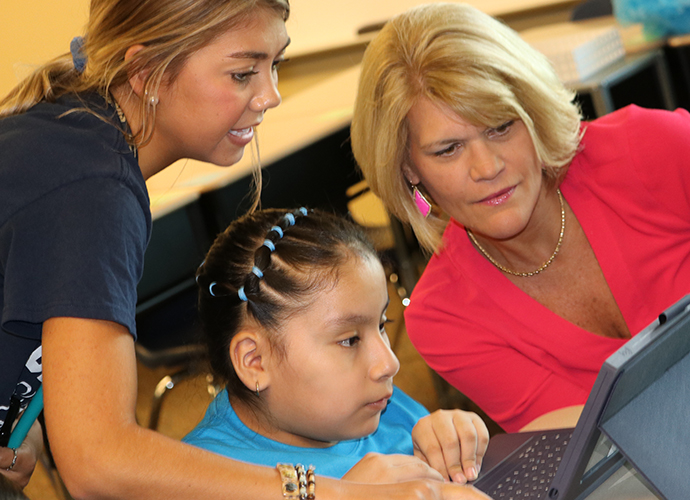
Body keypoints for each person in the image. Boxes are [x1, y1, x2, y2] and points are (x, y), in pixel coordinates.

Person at [0, 0, 492, 498]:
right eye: (242, 74)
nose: (270, 95)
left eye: (275, 64)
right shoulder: (93, 190)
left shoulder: (73, 145)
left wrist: (25, 421)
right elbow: (97, 462)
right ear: (147, 72)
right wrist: (340, 493)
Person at [350, 2, 690, 433]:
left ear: (532, 111)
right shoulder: (445, 319)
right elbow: (592, 442)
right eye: (448, 149)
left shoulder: (652, 148)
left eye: (501, 127)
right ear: (408, 168)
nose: (487, 167)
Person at [184, 208, 489, 486]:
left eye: (382, 324)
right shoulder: (203, 482)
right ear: (255, 360)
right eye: (349, 340)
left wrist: (449, 440)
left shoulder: (382, 407)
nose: (389, 364)